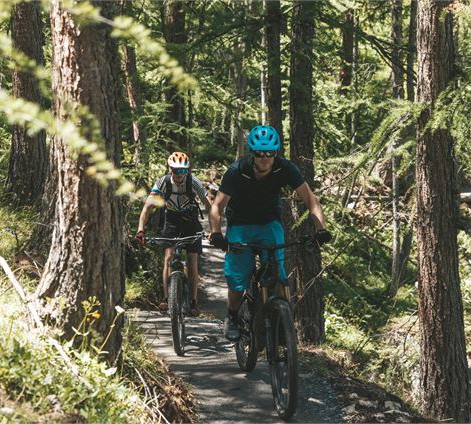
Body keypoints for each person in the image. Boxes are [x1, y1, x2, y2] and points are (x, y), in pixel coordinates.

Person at [208, 125, 331, 341]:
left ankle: (281, 323)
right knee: (237, 277)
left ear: (276, 153)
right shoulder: (237, 170)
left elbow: (311, 200)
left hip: (268, 223)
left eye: (269, 153)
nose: (264, 158)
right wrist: (216, 233)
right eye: (259, 154)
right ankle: (233, 316)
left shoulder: (285, 168)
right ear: (252, 153)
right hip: (240, 224)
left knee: (279, 274)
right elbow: (217, 206)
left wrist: (321, 229)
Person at [135, 152, 212, 315]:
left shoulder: (193, 182)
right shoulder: (163, 182)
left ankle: (192, 302)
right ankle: (165, 298)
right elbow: (147, 207)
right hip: (171, 221)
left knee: (192, 260)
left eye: (183, 171)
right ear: (170, 169)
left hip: (191, 222)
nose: (179, 174)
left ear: (187, 171)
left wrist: (214, 229)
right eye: (176, 170)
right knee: (168, 258)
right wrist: (140, 229)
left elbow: (209, 206)